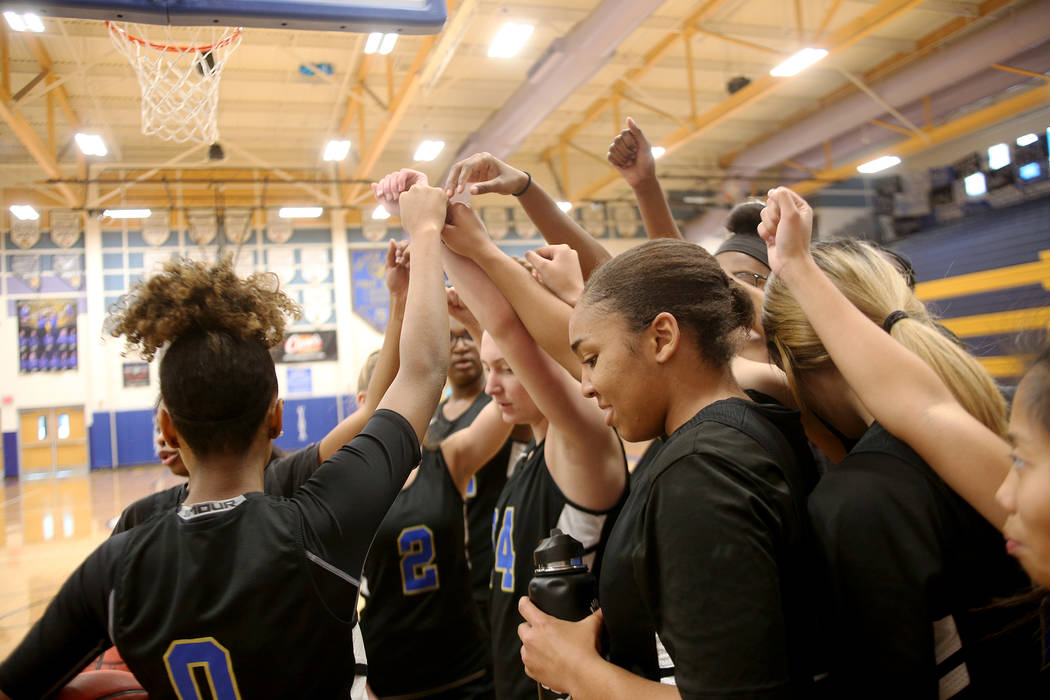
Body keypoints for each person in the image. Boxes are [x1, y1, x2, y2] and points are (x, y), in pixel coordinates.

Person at [0, 181, 450, 699]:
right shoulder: (321, 526)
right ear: (277, 419)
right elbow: (422, 374)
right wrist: (425, 229)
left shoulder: (118, 565)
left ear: (168, 427)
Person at [757, 186, 1050, 689]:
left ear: (793, 364)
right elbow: (924, 407)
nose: (1005, 489)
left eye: (1022, 461)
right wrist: (795, 270)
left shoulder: (860, 498)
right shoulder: (984, 415)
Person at [517, 238, 823, 698]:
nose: (586, 385)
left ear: (662, 338)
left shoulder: (703, 473)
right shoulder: (748, 422)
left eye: (593, 359)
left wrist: (576, 671)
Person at [433, 203, 627, 700]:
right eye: (488, 368)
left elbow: (516, 335)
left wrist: (438, 232)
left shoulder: (581, 445)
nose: (491, 386)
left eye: (509, 370)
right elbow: (506, 339)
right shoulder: (535, 448)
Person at [110, 243, 407, 536]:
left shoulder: (135, 526)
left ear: (167, 427)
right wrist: (398, 300)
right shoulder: (289, 494)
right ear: (276, 419)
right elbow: (374, 410)